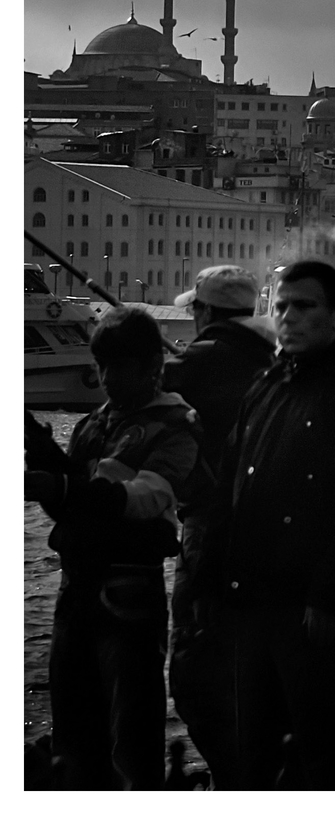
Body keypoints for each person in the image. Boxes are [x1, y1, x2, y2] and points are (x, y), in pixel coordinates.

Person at [202, 259, 335, 788]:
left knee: (327, 752)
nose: (288, 317)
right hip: (253, 596)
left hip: (313, 605)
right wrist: (210, 576)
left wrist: (330, 594)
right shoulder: (271, 379)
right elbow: (229, 484)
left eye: (304, 306)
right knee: (257, 750)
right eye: (281, 305)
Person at [25, 306, 200, 789]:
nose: (106, 379)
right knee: (72, 735)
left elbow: (145, 497)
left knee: (132, 736)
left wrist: (56, 485)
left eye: (119, 367)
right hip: (74, 592)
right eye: (102, 366)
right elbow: (74, 508)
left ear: (152, 368)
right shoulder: (93, 424)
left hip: (129, 597)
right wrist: (41, 456)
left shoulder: (176, 425)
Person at [162, 264, 277, 788]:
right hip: (270, 531)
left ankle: (232, 777)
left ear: (205, 313)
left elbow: (153, 395)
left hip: (210, 528)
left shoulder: (201, 357)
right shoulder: (275, 362)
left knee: (193, 664)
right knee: (253, 665)